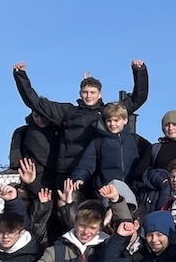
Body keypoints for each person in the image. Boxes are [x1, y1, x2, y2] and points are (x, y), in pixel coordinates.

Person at [13, 60, 149, 187]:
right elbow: (36, 103)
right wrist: (21, 76)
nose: (89, 96)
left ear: (100, 94)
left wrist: (139, 71)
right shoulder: (68, 111)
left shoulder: (108, 113)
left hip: (97, 171)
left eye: (92, 92)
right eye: (85, 92)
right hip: (68, 170)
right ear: (80, 93)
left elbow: (138, 99)